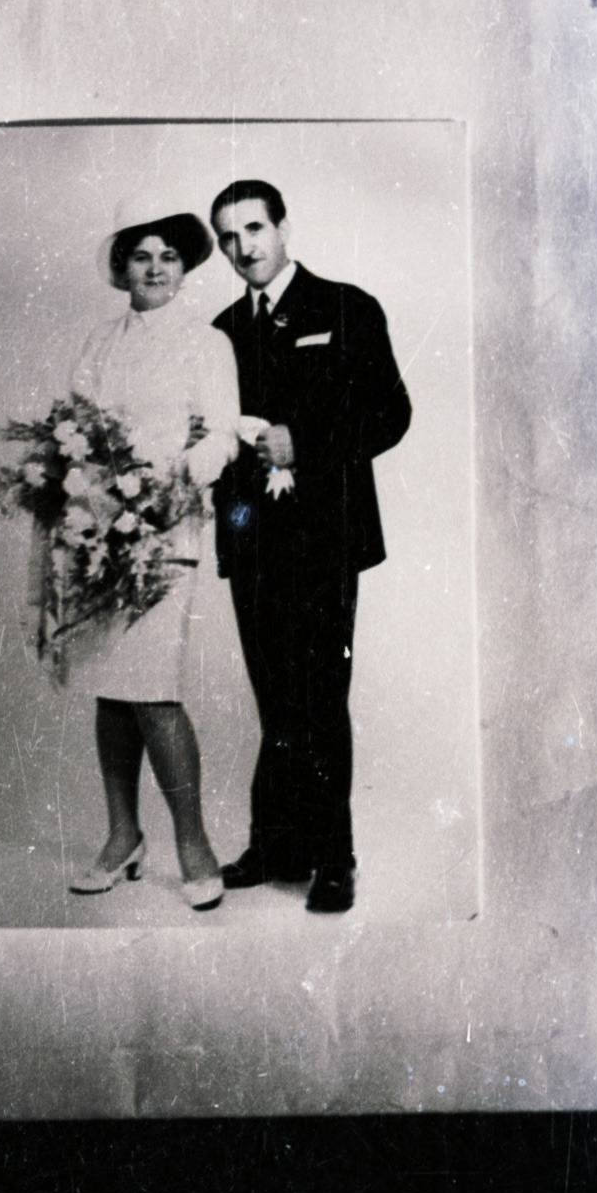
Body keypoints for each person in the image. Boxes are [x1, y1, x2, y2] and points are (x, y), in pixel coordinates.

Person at [209, 179, 412, 913]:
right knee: (275, 701)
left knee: (320, 698)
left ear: (283, 225)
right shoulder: (222, 327)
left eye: (254, 228)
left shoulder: (344, 307)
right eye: (229, 238)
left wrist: (309, 443)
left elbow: (390, 413)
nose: (244, 248)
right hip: (253, 544)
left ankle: (334, 858)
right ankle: (275, 846)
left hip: (325, 541)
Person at [63, 192, 240, 911]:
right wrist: (89, 491)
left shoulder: (205, 341)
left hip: (167, 529)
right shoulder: (100, 343)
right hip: (97, 529)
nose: (156, 267)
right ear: (122, 266)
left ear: (184, 268)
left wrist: (171, 481)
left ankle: (192, 843)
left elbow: (222, 434)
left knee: (153, 690)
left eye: (169, 256)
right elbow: (72, 423)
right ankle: (122, 835)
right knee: (111, 689)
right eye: (142, 255)